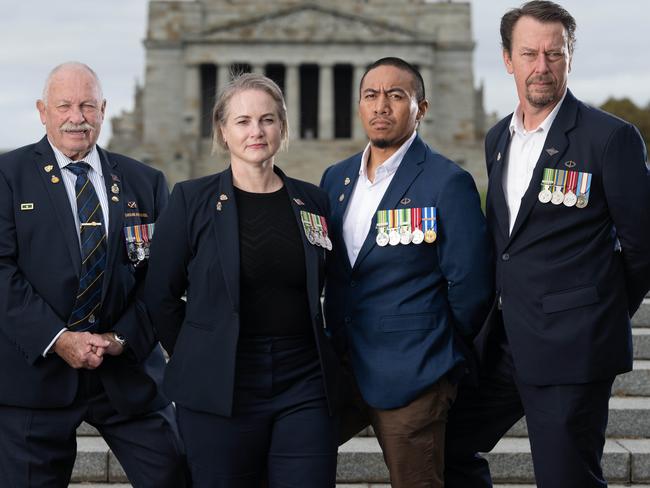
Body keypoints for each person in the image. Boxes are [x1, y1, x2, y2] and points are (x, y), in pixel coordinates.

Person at [444, 2, 650, 487]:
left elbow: (642, 247)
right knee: (441, 447)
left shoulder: (610, 138)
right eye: (530, 53)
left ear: (570, 57)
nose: (542, 66)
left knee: (567, 479)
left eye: (554, 54)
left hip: (571, 347)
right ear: (507, 59)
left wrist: (594, 313)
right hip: (502, 345)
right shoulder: (498, 138)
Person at [143, 72, 341, 488]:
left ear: (282, 127)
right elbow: (159, 295)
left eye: (268, 120)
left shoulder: (314, 200)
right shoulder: (190, 200)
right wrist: (201, 352)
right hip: (221, 382)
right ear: (223, 130)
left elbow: (335, 287)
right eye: (243, 121)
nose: (257, 131)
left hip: (302, 379)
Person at [0, 62, 185, 487]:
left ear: (103, 109)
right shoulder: (8, 178)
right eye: (64, 105)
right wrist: (58, 339)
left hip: (125, 370)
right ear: (42, 111)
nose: (76, 117)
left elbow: (162, 278)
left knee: (175, 472)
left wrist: (121, 338)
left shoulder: (146, 182)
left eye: (87, 105)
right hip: (34, 374)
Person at [320, 57, 493, 488]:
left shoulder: (446, 181)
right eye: (371, 95)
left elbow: (471, 286)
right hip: (340, 366)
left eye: (396, 96)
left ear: (421, 108)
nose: (382, 106)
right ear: (359, 104)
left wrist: (434, 347)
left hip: (414, 371)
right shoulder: (335, 179)